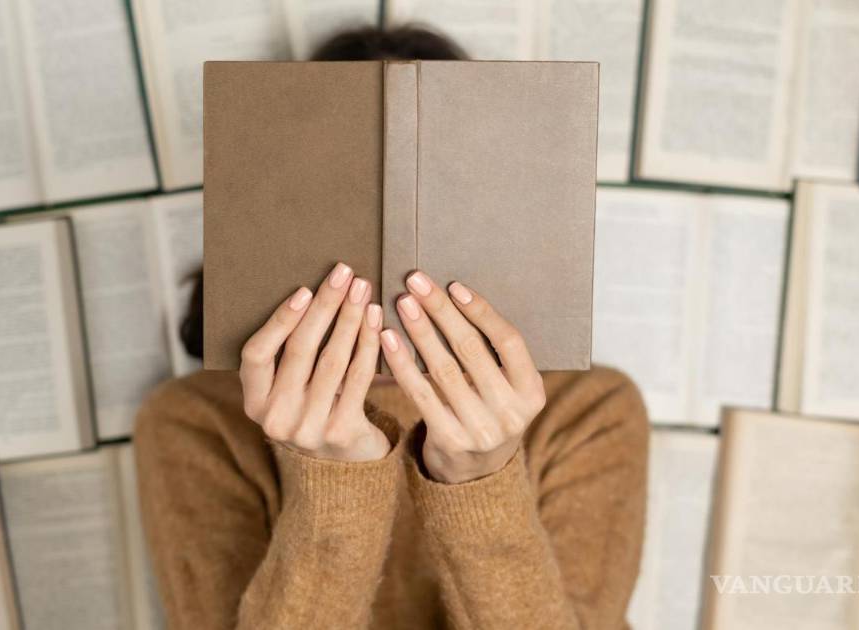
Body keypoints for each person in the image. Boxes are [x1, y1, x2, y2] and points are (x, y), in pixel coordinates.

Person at [134, 25, 648, 630]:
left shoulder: (589, 409)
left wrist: (483, 481)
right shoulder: (196, 420)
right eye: (339, 199)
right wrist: (332, 490)